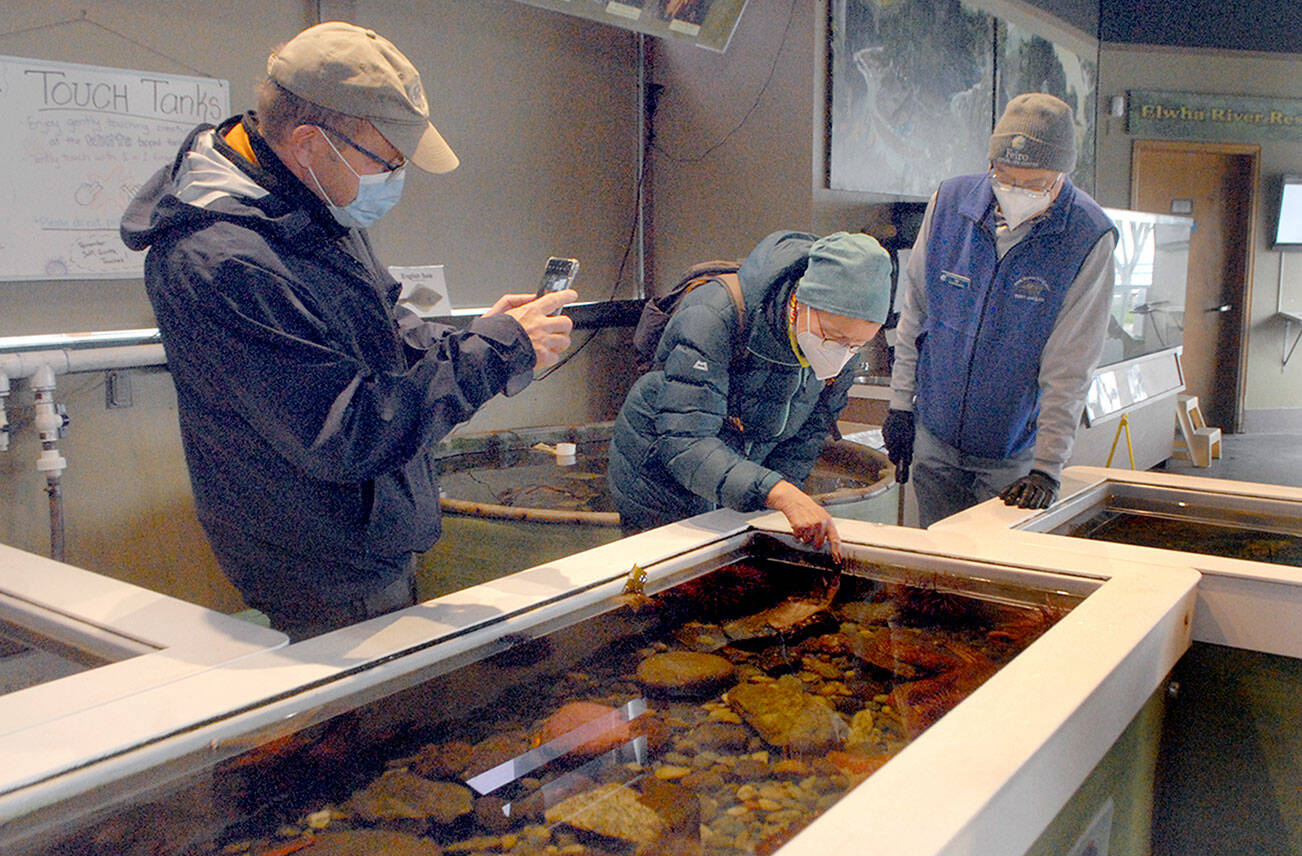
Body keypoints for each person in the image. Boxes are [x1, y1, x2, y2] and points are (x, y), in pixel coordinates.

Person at [120, 22, 575, 640]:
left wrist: (483, 336)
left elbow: (386, 331)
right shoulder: (222, 261)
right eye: (387, 160)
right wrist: (492, 355)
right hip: (321, 566)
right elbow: (347, 431)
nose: (395, 177)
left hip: (373, 537)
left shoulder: (305, 206)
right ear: (310, 141)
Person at [883, 92, 1117, 528]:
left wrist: (1047, 466)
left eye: (1033, 183)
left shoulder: (1087, 236)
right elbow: (914, 313)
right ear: (991, 163)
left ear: (1062, 173)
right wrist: (901, 406)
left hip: (1013, 455)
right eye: (1006, 176)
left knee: (992, 574)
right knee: (935, 562)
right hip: (935, 436)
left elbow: (1071, 364)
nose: (1016, 191)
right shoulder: (949, 204)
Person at [608, 230, 891, 561]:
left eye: (856, 345)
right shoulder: (715, 314)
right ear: (804, 301)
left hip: (741, 468)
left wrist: (779, 499)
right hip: (658, 474)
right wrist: (777, 492)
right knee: (671, 587)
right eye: (834, 336)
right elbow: (686, 442)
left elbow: (804, 440)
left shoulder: (839, 353)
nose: (842, 352)